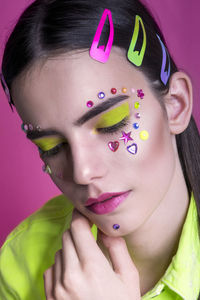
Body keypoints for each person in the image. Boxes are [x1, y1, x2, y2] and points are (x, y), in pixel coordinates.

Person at [0, 0, 200, 299]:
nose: (83, 172)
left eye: (112, 124)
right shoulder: (23, 257)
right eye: (52, 147)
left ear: (176, 105)